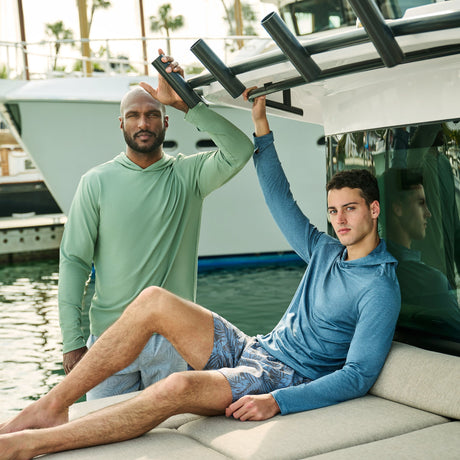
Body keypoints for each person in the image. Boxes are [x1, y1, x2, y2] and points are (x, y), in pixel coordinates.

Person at [0, 93, 401, 459]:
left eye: (350, 209)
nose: (340, 221)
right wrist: (261, 125)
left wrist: (280, 400)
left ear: (375, 210)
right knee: (153, 299)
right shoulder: (325, 250)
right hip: (254, 348)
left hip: (282, 378)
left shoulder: (379, 287)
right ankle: (50, 406)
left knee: (178, 387)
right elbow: (281, 200)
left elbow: (357, 376)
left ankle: (30, 444)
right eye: (333, 211)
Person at [58, 49, 254, 399]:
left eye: (152, 114)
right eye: (133, 115)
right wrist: (72, 341)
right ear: (122, 124)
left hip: (173, 344)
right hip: (109, 340)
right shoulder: (95, 182)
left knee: (172, 439)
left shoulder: (188, 175)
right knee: (104, 442)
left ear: (166, 122)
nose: (143, 123)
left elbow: (239, 149)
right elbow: (74, 262)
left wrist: (186, 104)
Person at [383, 168, 460, 341]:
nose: (428, 213)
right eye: (420, 203)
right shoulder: (431, 282)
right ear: (398, 208)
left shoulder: (376, 266)